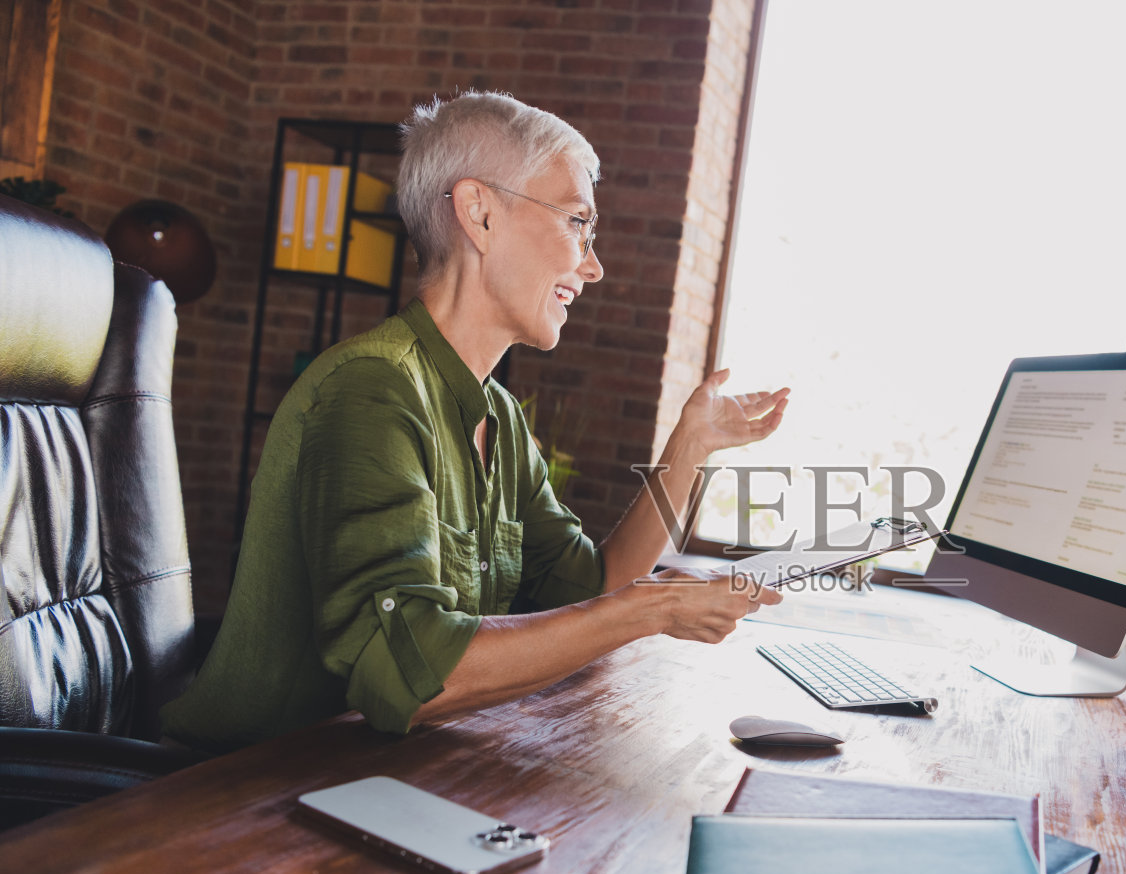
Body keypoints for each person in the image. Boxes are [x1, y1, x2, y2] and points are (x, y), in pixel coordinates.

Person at [162, 90, 787, 752]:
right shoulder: (370, 392)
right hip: (247, 796)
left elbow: (597, 585)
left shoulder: (501, 420)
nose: (593, 265)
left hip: (381, 780)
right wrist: (654, 608)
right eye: (577, 221)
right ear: (479, 214)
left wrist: (691, 445)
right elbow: (412, 676)